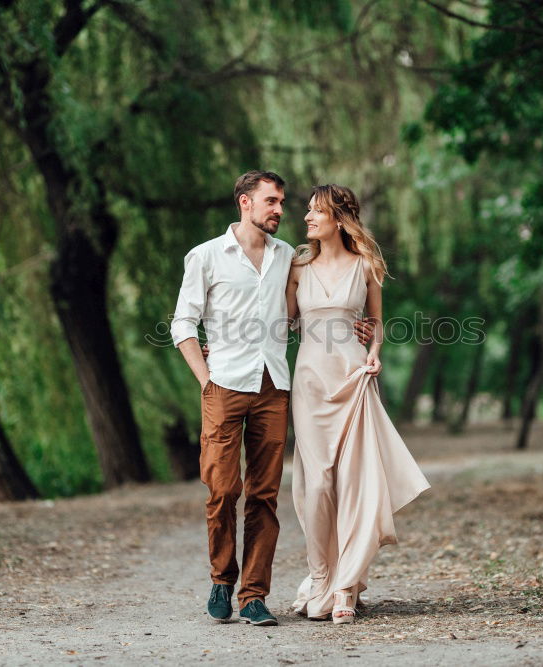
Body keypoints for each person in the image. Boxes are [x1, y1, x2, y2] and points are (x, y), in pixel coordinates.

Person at [170, 171, 373, 627]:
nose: (281, 209)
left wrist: (354, 327)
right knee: (222, 489)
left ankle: (254, 595)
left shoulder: (289, 258)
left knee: (264, 495)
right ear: (245, 203)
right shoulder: (205, 257)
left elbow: (300, 319)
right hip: (222, 385)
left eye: (282, 202)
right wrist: (205, 377)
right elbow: (183, 323)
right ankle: (222, 579)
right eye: (272, 201)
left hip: (274, 387)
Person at [287, 184, 430, 624]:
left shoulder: (366, 265)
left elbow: (377, 325)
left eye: (316, 212)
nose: (308, 218)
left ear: (338, 218)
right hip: (310, 383)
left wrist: (374, 352)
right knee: (319, 482)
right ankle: (321, 579)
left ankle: (347, 587)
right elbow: (280, 323)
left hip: (353, 376)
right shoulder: (297, 267)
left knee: (354, 480)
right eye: (308, 211)